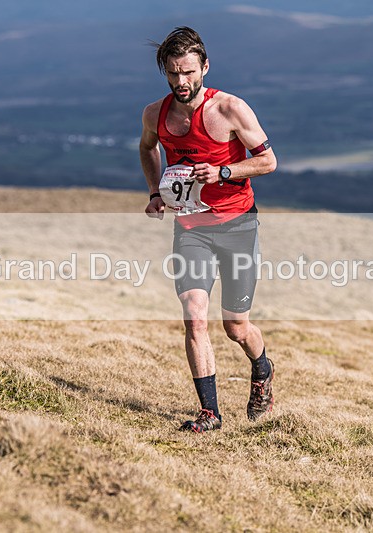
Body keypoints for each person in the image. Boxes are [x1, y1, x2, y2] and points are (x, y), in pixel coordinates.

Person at [139, 27, 278, 433]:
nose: (181, 83)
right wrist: (154, 191)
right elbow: (147, 147)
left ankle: (262, 367)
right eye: (172, 74)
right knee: (194, 317)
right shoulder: (155, 114)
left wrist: (223, 171)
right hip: (191, 229)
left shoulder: (231, 109)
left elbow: (268, 162)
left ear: (205, 67)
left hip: (238, 226)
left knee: (235, 326)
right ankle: (210, 414)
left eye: (188, 72)